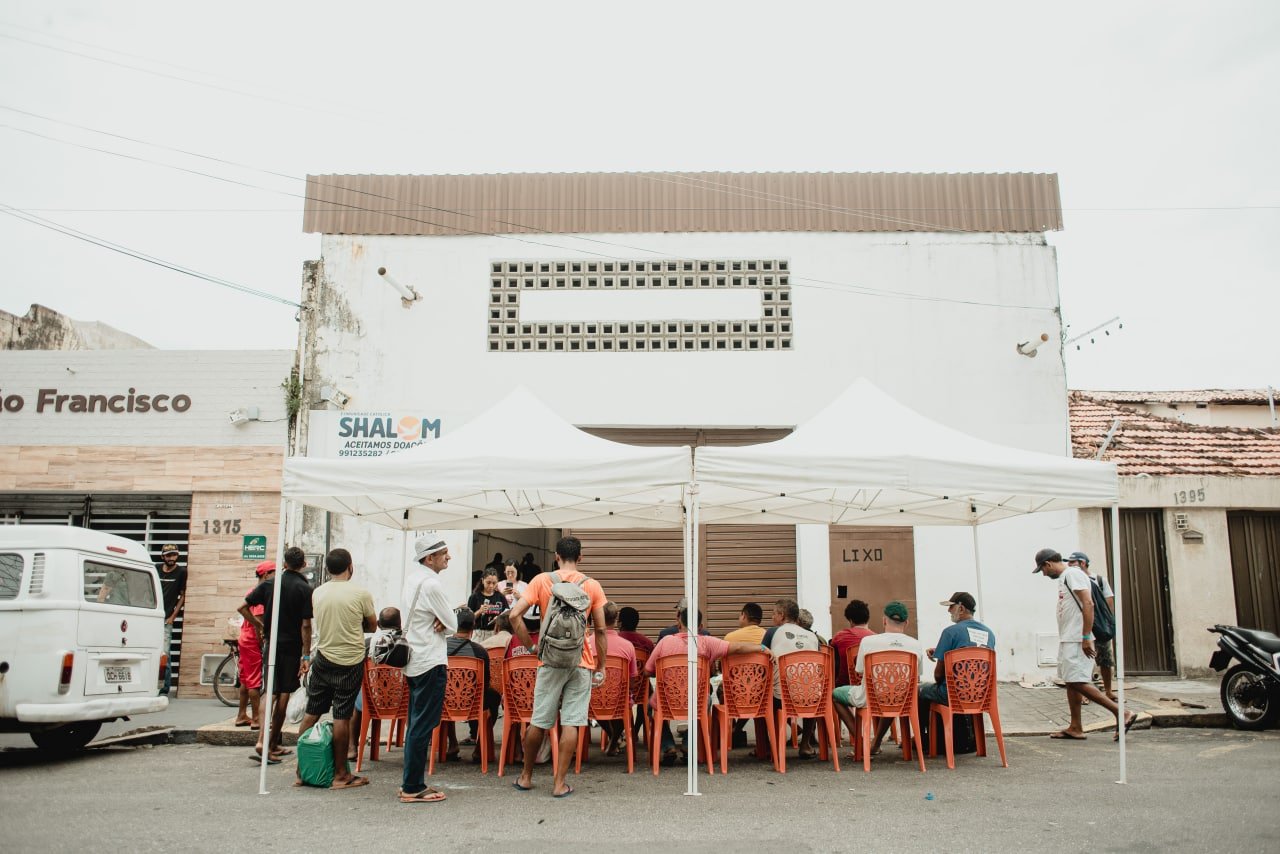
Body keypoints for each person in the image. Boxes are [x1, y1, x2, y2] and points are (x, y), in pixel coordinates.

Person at [508, 535, 607, 798]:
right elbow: (601, 630)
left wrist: (532, 647)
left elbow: (513, 615)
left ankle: (526, 777)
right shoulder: (592, 585)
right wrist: (601, 665)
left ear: (556, 556)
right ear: (581, 557)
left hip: (549, 659)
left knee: (539, 721)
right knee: (572, 722)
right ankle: (559, 783)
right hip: (581, 661)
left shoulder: (542, 581)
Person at [1034, 548, 1137, 741]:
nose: (1044, 574)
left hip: (1077, 638)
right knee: (1070, 680)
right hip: (1069, 637)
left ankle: (1121, 712)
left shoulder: (1072, 574)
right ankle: (1076, 726)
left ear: (1048, 564)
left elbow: (1087, 603)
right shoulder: (1067, 577)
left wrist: (1086, 636)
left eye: (1042, 570)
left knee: (1077, 681)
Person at [297, 548, 376, 790]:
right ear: (350, 566)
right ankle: (341, 774)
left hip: (323, 657)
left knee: (312, 711)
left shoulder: (318, 593)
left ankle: (302, 770)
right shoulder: (360, 593)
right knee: (342, 714)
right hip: (350, 660)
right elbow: (372, 626)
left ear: (328, 569)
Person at [646, 606, 761, 765]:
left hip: (666, 701)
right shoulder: (707, 642)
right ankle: (687, 743)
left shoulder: (665, 641)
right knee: (705, 701)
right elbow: (739, 647)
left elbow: (647, 670)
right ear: (700, 626)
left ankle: (668, 746)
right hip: (696, 701)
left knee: (651, 706)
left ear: (679, 623)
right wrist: (762, 647)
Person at [240, 546, 313, 764]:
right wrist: (306, 655)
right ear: (304, 564)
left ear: (284, 564)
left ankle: (267, 741)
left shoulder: (270, 584)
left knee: (268, 692)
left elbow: (242, 607)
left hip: (271, 644)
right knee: (283, 695)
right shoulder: (304, 588)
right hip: (291, 647)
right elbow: (306, 625)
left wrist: (259, 625)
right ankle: (268, 741)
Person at [399, 537, 459, 803]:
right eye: (443, 554)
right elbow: (454, 623)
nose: (448, 557)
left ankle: (412, 781)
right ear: (429, 558)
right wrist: (445, 623)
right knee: (422, 725)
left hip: (414, 659)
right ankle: (412, 786)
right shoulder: (432, 584)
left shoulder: (413, 580)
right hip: (430, 660)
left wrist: (442, 621)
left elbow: (443, 620)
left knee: (416, 723)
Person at [831, 601, 924, 757]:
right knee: (892, 694)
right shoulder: (916, 645)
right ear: (906, 623)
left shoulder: (869, 642)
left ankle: (861, 743)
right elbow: (917, 676)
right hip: (901, 698)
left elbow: (859, 670)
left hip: (871, 696)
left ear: (884, 620)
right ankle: (876, 742)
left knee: (835, 694)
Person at [918, 592, 995, 753]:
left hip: (953, 694)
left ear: (961, 608)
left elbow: (938, 675)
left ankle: (921, 739)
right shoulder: (989, 633)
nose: (949, 611)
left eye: (951, 607)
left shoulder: (950, 632)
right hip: (982, 694)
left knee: (919, 691)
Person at [761, 598, 821, 760]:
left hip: (782, 698)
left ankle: (767, 747)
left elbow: (763, 663)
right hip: (810, 697)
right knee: (812, 689)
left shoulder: (772, 632)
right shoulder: (812, 636)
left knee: (764, 695)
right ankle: (805, 745)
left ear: (781, 615)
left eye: (774, 614)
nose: (772, 618)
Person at [444, 608, 501, 763]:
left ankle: (452, 744)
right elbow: (485, 683)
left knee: (445, 693)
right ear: (473, 626)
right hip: (474, 702)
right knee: (493, 696)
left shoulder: (441, 647)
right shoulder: (480, 651)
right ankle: (479, 746)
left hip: (444, 702)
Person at [350, 606, 401, 761]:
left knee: (355, 699)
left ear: (378, 624)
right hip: (401, 700)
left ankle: (352, 747)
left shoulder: (366, 644)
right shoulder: (406, 645)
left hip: (371, 700)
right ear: (400, 624)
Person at [587, 601, 638, 756]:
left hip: (591, 700)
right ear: (616, 620)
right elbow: (633, 683)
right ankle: (615, 737)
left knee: (597, 702)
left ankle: (613, 738)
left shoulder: (586, 643)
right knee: (623, 706)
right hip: (619, 700)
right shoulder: (627, 646)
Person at [1069, 551, 1118, 701]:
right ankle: (1086, 694)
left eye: (1073, 562)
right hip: (1084, 626)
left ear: (1083, 563)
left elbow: (1108, 602)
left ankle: (1108, 691)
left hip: (1099, 626)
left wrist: (1104, 623)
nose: (1069, 565)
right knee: (1085, 661)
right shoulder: (1074, 579)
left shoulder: (1099, 580)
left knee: (1105, 660)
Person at [234, 560, 274, 728]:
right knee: (254, 681)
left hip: (244, 637)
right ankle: (257, 719)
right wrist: (261, 642)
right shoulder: (260, 593)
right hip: (251, 640)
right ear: (266, 575)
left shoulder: (252, 591)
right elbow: (259, 622)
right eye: (273, 573)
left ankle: (242, 715)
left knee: (245, 679)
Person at [723, 602, 767, 748]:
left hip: (736, 691)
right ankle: (738, 731)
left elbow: (721, 666)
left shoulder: (730, 637)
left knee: (721, 691)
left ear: (744, 615)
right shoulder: (768, 635)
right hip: (763, 691)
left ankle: (732, 731)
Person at [156, 544, 187, 696]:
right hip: (152, 616)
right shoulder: (155, 568)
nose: (171, 558)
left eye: (174, 555)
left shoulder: (181, 572)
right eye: (168, 555)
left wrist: (173, 616)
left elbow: (182, 595)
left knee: (165, 653)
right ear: (163, 556)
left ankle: (164, 689)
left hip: (166, 618)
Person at [830, 600, 875, 689]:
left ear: (850, 620)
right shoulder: (876, 638)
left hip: (844, 686)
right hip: (869, 688)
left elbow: (831, 651)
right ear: (867, 618)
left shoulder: (840, 636)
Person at [467, 567, 508, 642]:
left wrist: (500, 619)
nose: (491, 586)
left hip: (496, 633)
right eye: (488, 582)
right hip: (479, 634)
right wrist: (479, 611)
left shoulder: (500, 597)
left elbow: (507, 614)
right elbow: (468, 619)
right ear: (482, 581)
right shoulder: (475, 597)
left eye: (494, 583)